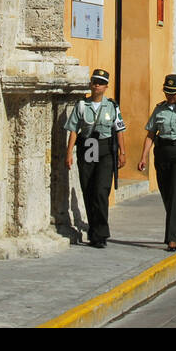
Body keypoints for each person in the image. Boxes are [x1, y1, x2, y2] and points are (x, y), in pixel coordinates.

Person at [63, 68, 125, 248]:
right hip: (88, 146)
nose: (96, 85)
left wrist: (123, 152)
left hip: (105, 148)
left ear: (106, 86)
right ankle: (93, 231)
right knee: (88, 188)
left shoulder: (112, 106)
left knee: (101, 190)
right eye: (94, 82)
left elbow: (120, 130)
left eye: (100, 82)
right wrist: (69, 153)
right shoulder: (82, 105)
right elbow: (74, 130)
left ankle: (101, 232)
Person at [138, 74, 176, 252]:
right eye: (167, 93)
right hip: (162, 152)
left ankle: (172, 238)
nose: (169, 96)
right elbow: (151, 134)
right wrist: (144, 156)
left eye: (173, 93)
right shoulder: (159, 109)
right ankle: (173, 231)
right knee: (167, 194)